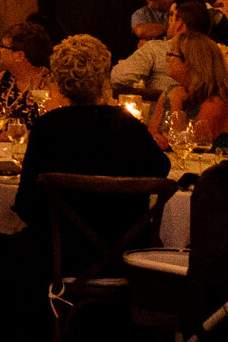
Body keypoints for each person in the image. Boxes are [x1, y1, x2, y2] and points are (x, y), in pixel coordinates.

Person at [13, 34, 167, 245]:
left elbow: (26, 205)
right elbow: (160, 170)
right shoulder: (129, 126)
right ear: (103, 77)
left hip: (62, 254)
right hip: (127, 254)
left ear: (59, 81)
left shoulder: (47, 127)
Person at [156, 31, 228, 151]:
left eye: (171, 54)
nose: (167, 59)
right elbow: (149, 137)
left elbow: (191, 147)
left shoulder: (218, 102)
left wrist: (175, 105)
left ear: (190, 62)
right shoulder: (172, 91)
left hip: (216, 166)